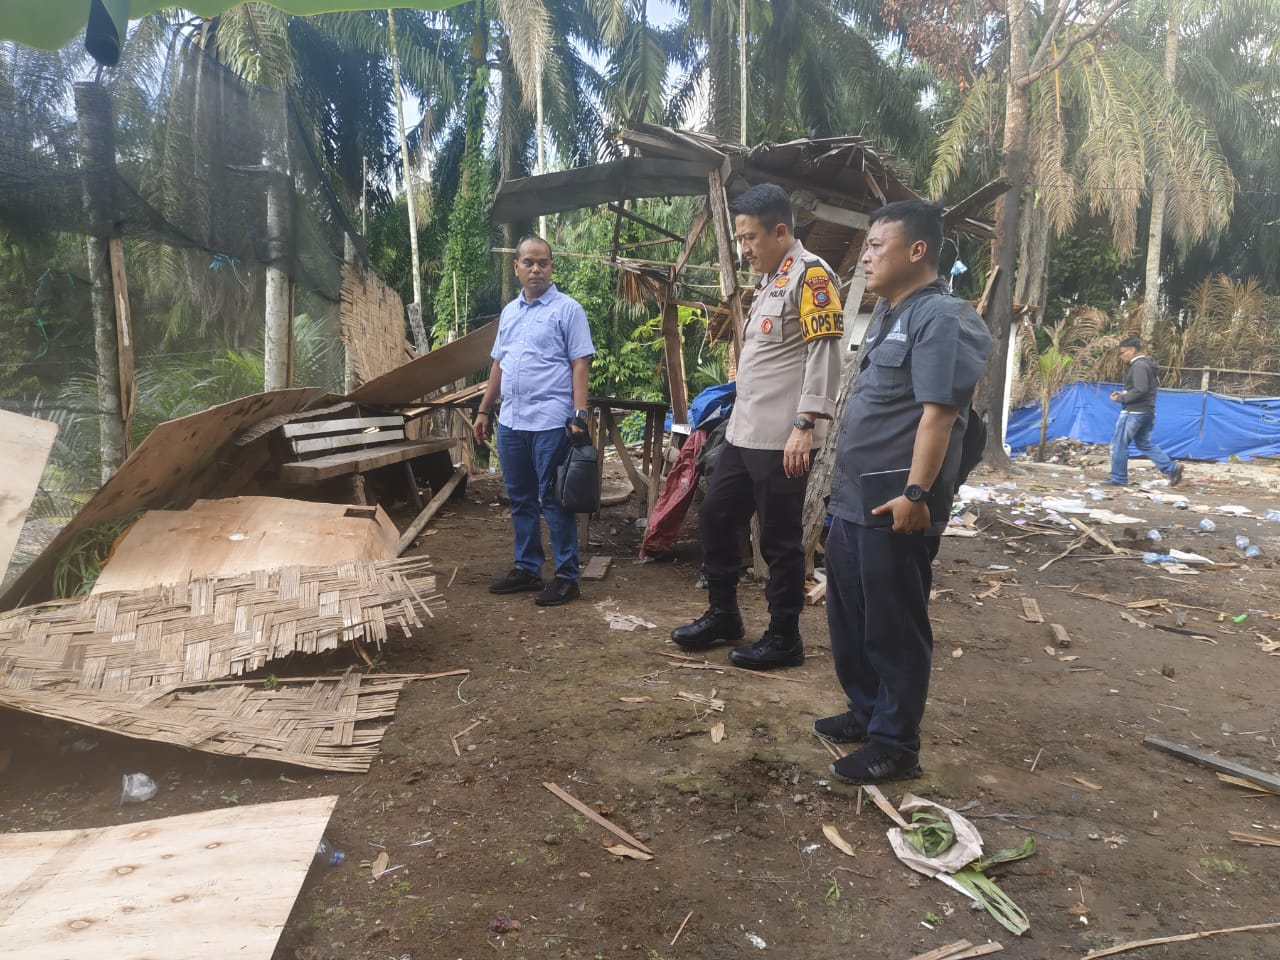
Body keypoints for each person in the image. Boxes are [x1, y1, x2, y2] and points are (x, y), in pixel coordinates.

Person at [815, 200, 991, 785]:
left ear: (917, 251)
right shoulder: (890, 315)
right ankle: (867, 712)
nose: (865, 256)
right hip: (855, 500)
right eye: (865, 246)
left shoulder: (942, 318)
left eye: (875, 246)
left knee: (894, 626)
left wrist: (918, 494)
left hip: (897, 505)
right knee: (851, 617)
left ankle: (896, 745)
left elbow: (939, 416)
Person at [670, 183, 843, 670]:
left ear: (781, 230)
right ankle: (724, 614)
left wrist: (806, 424)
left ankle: (785, 636)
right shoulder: (772, 279)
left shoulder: (812, 277)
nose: (744, 248)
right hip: (746, 432)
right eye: (741, 238)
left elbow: (824, 352)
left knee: (779, 540)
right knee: (717, 517)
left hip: (783, 438)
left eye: (749, 238)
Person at [473, 236, 594, 606]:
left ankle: (566, 576)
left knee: (553, 498)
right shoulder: (509, 313)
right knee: (521, 498)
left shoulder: (568, 310)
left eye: (543, 262)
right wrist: (483, 409)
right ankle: (527, 568)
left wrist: (579, 414)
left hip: (549, 421)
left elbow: (580, 363)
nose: (536, 269)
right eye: (529, 262)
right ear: (517, 267)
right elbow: (499, 364)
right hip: (511, 421)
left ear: (552, 266)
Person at [1107, 336, 1184, 487]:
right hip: (1148, 411)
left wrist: (1122, 398)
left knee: (1118, 445)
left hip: (1134, 413)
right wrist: (1124, 394)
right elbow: (1142, 389)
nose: (1121, 356)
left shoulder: (1139, 366)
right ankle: (1172, 468)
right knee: (1144, 444)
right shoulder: (1147, 365)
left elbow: (1140, 390)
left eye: (1122, 353)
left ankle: (1118, 478)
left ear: (1132, 350)